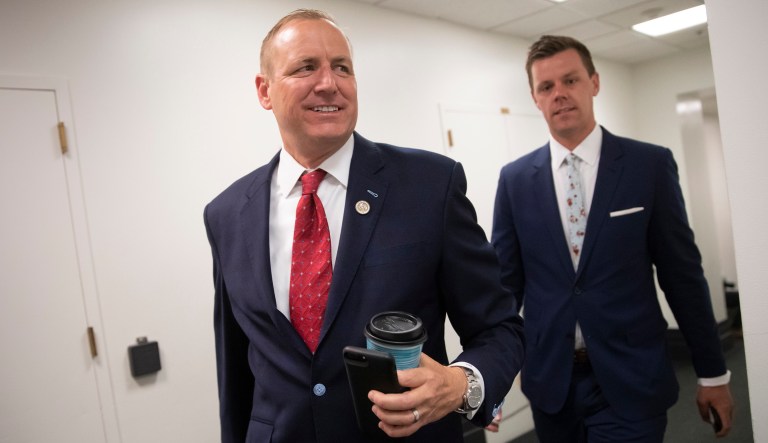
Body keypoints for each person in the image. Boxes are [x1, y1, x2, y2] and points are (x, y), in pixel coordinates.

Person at [203, 9, 524, 443]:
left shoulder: (429, 186)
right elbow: (236, 370)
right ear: (265, 90)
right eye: (305, 67)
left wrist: (460, 384)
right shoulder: (226, 215)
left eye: (342, 67)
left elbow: (500, 328)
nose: (328, 83)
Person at [491, 35, 734, 442]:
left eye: (570, 80)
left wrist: (713, 372)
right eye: (546, 87)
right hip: (552, 383)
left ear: (594, 82)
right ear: (535, 99)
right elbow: (504, 291)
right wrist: (491, 375)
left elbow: (682, 275)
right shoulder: (515, 180)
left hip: (631, 379)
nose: (560, 94)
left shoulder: (648, 165)